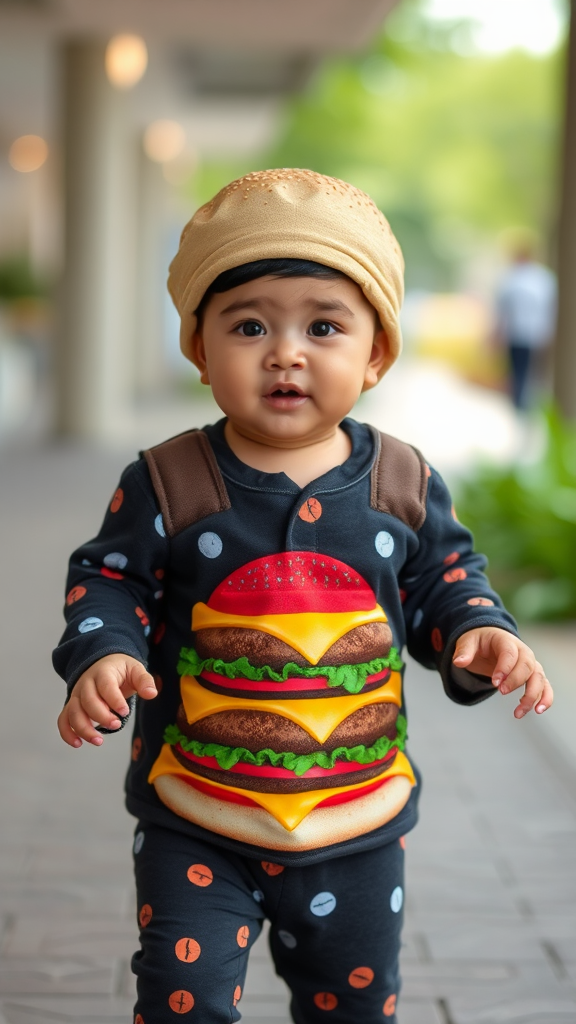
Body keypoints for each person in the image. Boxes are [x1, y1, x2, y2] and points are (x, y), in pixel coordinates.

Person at [53, 169, 553, 1024]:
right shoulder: (170, 479)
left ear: (376, 354)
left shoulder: (401, 480)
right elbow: (110, 580)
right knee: (182, 999)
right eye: (249, 326)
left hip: (360, 822)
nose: (286, 351)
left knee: (350, 1006)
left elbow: (443, 580)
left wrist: (479, 631)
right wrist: (104, 650)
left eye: (324, 325)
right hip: (195, 813)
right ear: (201, 350)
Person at [495, 241, 557, 410]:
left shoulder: (534, 278)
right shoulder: (538, 278)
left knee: (526, 371)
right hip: (520, 333)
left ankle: (523, 404)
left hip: (533, 333)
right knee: (520, 370)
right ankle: (520, 404)